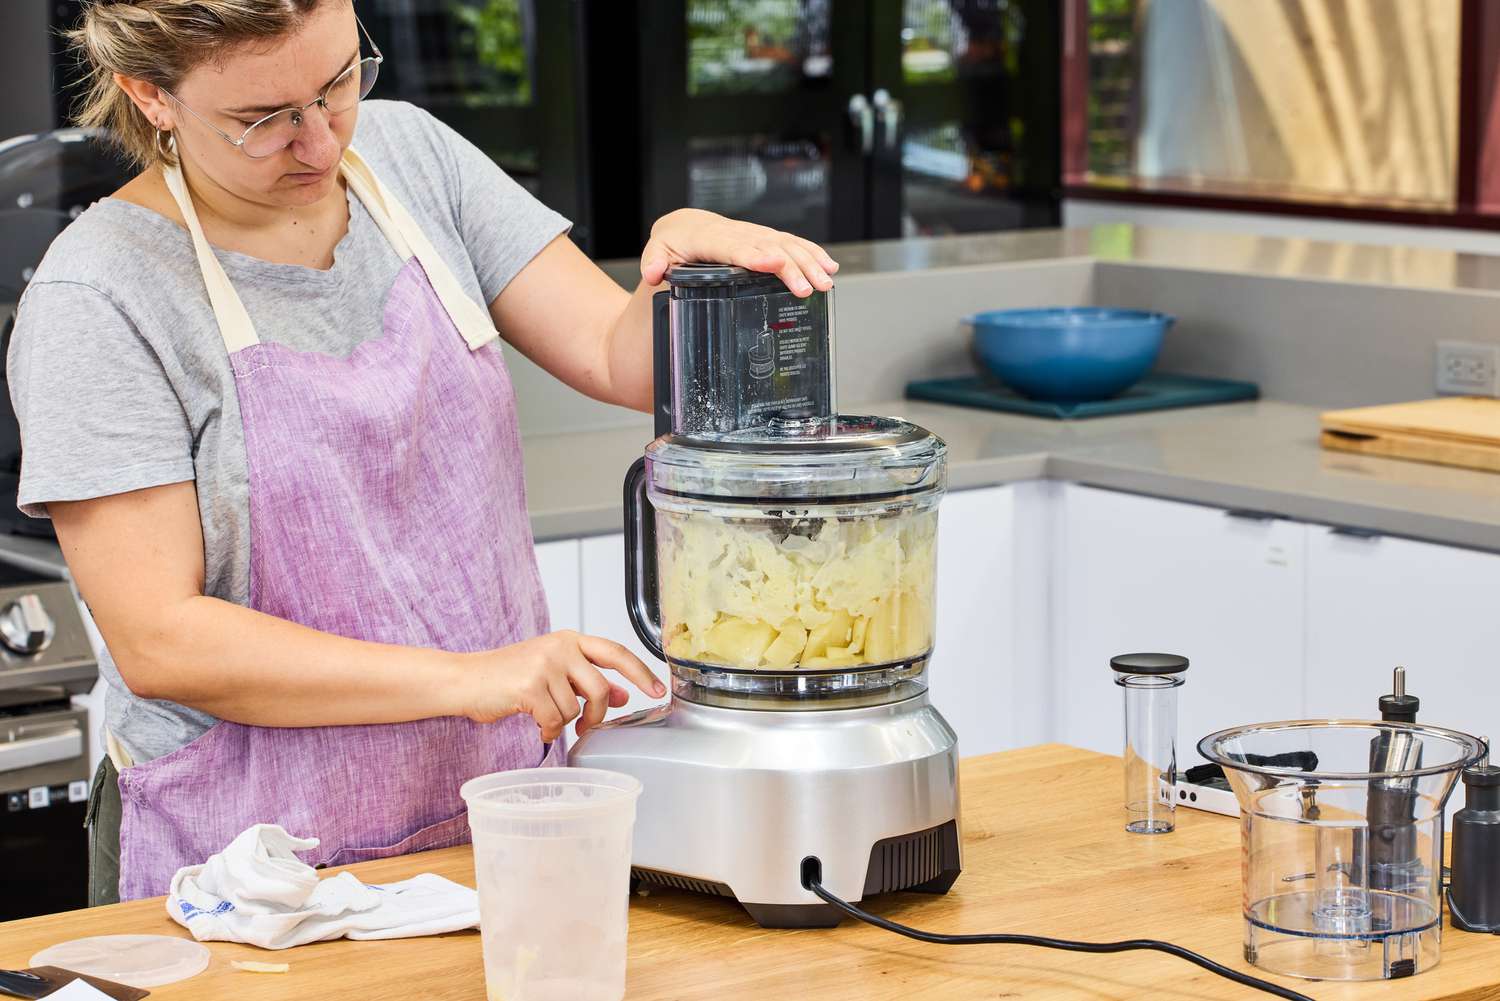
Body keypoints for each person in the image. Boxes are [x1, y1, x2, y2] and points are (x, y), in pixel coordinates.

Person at [8, 0, 839, 905]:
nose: (320, 144)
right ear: (151, 96)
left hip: (488, 813)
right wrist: (469, 678)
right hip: (245, 875)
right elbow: (164, 641)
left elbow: (613, 351)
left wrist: (680, 275)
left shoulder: (409, 158)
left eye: (337, 84)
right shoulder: (98, 297)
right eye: (262, 121)